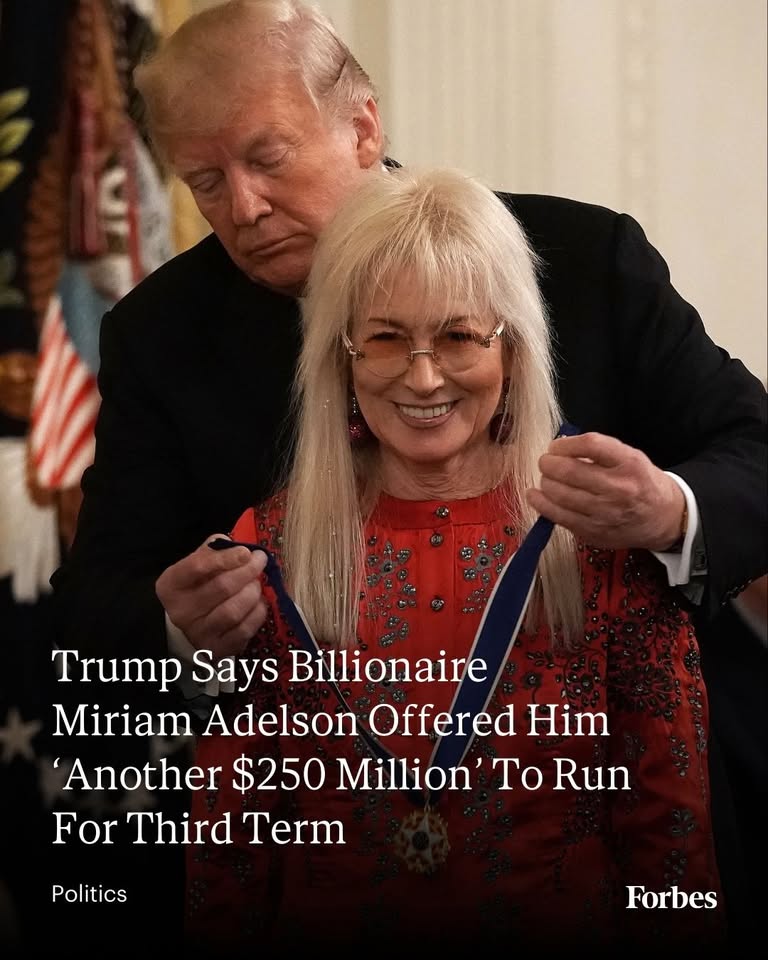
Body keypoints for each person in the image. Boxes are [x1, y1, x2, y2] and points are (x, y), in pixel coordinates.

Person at [47, 0, 765, 946]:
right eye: (205, 182)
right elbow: (94, 599)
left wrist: (671, 509)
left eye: (267, 158)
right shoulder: (159, 334)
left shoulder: (584, 260)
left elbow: (754, 451)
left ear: (363, 127)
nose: (243, 209)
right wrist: (176, 626)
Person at [183, 165, 723, 950]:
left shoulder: (599, 536)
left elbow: (670, 842)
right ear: (342, 357)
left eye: (459, 337)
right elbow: (230, 847)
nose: (424, 375)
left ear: (513, 352)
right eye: (385, 338)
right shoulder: (267, 547)